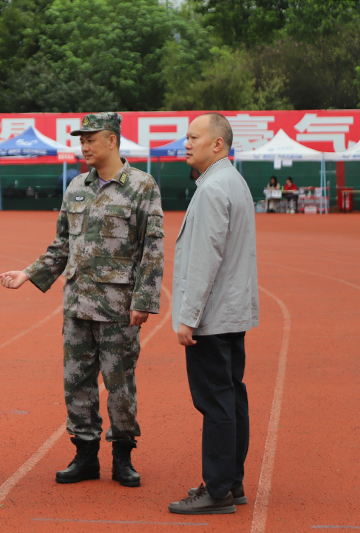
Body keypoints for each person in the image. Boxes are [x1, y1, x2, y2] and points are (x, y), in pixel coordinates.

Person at [0, 113, 164, 488]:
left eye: (90, 139)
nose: (84, 146)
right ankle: (85, 455)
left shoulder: (141, 186)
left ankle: (122, 456)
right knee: (76, 383)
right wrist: (29, 273)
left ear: (112, 140)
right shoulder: (76, 186)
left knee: (120, 385)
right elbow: (62, 243)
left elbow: (152, 249)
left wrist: (144, 300)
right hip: (76, 305)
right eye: (81, 140)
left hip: (118, 307)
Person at [169, 113, 259, 515]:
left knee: (216, 402)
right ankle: (232, 482)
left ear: (217, 144)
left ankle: (218, 490)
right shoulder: (233, 182)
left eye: (194, 137)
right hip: (232, 311)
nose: (186, 144)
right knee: (231, 395)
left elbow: (205, 260)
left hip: (212, 315)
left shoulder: (212, 189)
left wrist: (188, 317)